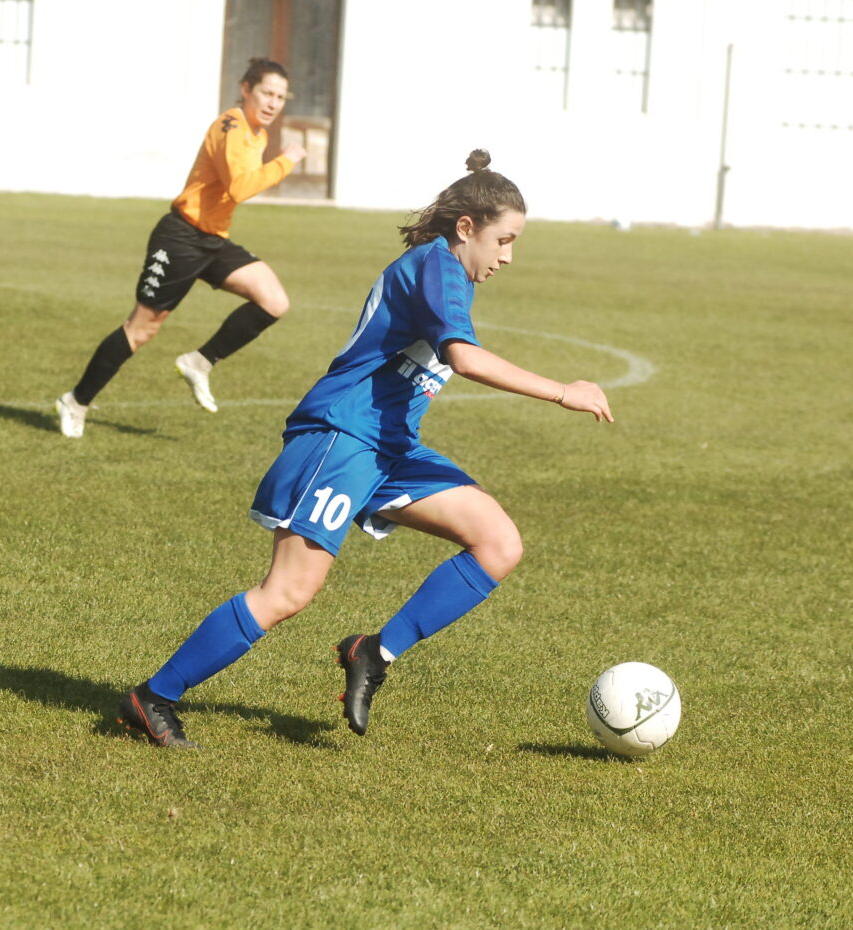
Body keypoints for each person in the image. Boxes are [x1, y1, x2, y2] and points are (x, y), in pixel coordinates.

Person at [116, 150, 614, 748]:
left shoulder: (450, 272)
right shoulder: (436, 266)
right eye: (503, 240)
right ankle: (153, 697)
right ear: (466, 228)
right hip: (344, 435)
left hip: (391, 446)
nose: (507, 256)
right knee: (288, 592)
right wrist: (563, 391)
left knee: (498, 543)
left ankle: (372, 653)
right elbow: (464, 358)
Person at [54, 58, 307, 438]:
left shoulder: (257, 133)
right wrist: (286, 161)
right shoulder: (231, 125)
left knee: (274, 301)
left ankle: (199, 363)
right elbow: (240, 187)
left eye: (280, 97)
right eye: (267, 93)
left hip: (213, 239)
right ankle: (75, 401)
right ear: (246, 89)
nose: (273, 103)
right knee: (141, 329)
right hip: (180, 238)